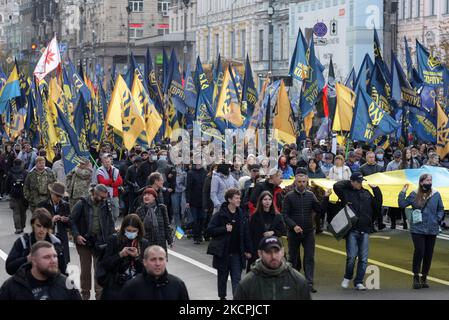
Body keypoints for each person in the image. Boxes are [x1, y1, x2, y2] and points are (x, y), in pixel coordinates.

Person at [282, 171, 331, 293]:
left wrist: (326, 197)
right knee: (292, 258)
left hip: (309, 232)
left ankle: (309, 283)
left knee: (309, 258)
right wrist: (294, 226)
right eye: (299, 182)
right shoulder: (289, 196)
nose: (301, 184)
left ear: (307, 182)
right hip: (293, 232)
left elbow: (319, 209)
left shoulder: (310, 195)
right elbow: (285, 215)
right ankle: (293, 283)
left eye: (304, 182)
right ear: (295, 182)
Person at [333, 172, 382, 290]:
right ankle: (347, 276)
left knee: (364, 259)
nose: (360, 184)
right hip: (351, 229)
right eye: (358, 182)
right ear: (353, 182)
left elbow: (377, 205)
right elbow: (337, 186)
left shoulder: (367, 193)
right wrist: (349, 183)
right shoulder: (346, 193)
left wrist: (376, 190)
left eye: (361, 182)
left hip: (365, 229)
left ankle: (359, 281)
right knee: (351, 256)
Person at [398, 174, 445, 289]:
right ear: (421, 182)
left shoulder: (436, 194)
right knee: (419, 251)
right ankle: (416, 277)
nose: (429, 182)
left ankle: (424, 277)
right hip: (417, 228)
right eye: (427, 180)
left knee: (429, 254)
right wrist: (402, 192)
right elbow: (402, 204)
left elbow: (441, 208)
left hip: (432, 228)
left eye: (431, 180)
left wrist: (437, 219)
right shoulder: (414, 194)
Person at [70, 184, 116, 300]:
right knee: (85, 270)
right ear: (94, 194)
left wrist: (111, 240)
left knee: (99, 270)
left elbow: (110, 223)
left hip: (100, 243)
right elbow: (72, 220)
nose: (103, 200)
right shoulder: (82, 203)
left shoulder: (106, 205)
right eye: (101, 197)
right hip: (84, 241)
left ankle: (99, 296)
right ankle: (85, 294)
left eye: (105, 197)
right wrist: (77, 235)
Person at [206, 188, 252, 300]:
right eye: (236, 198)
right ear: (229, 199)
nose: (239, 200)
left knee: (237, 279)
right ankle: (222, 297)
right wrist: (224, 229)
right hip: (223, 253)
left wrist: (248, 250)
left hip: (237, 253)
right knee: (222, 277)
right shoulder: (220, 214)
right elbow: (209, 230)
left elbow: (246, 233)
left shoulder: (241, 214)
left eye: (239, 198)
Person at [234, 236, 311, 300]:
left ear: (283, 251)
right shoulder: (247, 284)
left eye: (276, 251)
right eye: (268, 252)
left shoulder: (298, 281)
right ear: (260, 254)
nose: (273, 256)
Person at [0, 241, 82, 300]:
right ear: (34, 260)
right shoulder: (12, 286)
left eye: (54, 256)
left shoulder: (67, 285)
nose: (53, 260)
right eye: (47, 257)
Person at [100, 214, 150, 299]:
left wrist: (137, 257)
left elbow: (146, 270)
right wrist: (120, 255)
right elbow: (105, 264)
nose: (131, 233)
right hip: (116, 284)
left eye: (134, 231)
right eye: (128, 230)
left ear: (139, 230)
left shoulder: (143, 243)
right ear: (123, 229)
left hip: (136, 284)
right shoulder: (114, 240)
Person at [5, 209, 66, 275]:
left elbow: (62, 270)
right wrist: (27, 259)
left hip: (48, 282)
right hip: (26, 282)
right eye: (38, 226)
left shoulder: (55, 242)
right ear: (33, 224)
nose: (41, 229)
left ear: (48, 227)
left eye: (45, 226)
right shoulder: (23, 242)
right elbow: (9, 268)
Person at [121, 245, 189, 300]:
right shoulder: (131, 286)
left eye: (161, 259)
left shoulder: (178, 284)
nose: (157, 263)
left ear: (166, 261)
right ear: (144, 262)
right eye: (153, 259)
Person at [247, 191, 286, 272]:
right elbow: (249, 233)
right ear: (261, 201)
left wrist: (273, 232)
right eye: (265, 199)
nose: (267, 201)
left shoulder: (277, 215)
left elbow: (283, 230)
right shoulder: (255, 216)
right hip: (257, 248)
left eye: (269, 199)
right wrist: (248, 250)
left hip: (272, 248)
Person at [37, 182, 71, 266]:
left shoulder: (65, 205)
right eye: (57, 196)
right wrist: (51, 220)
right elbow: (37, 223)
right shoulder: (42, 205)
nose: (59, 198)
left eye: (61, 196)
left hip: (62, 237)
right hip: (47, 237)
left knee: (63, 263)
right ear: (51, 193)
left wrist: (66, 220)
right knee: (47, 263)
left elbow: (70, 223)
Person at [96, 153, 123, 222]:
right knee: (104, 213)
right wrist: (113, 180)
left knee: (116, 213)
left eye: (108, 162)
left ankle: (112, 226)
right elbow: (102, 182)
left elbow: (120, 182)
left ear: (110, 161)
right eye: (105, 162)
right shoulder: (100, 171)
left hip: (114, 195)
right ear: (102, 163)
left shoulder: (115, 170)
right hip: (104, 196)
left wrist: (110, 184)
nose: (107, 163)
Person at [5, 158, 28, 234]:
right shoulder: (24, 172)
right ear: (21, 164)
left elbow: (7, 183)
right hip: (23, 195)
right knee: (23, 212)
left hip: (14, 195)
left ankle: (18, 228)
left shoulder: (10, 172)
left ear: (14, 164)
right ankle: (22, 226)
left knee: (16, 213)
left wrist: (8, 192)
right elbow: (27, 183)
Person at [186, 163, 207, 244]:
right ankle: (196, 237)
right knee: (195, 219)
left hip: (203, 200)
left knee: (202, 218)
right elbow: (188, 188)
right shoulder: (191, 173)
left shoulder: (205, 172)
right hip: (193, 200)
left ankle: (199, 235)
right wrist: (188, 201)